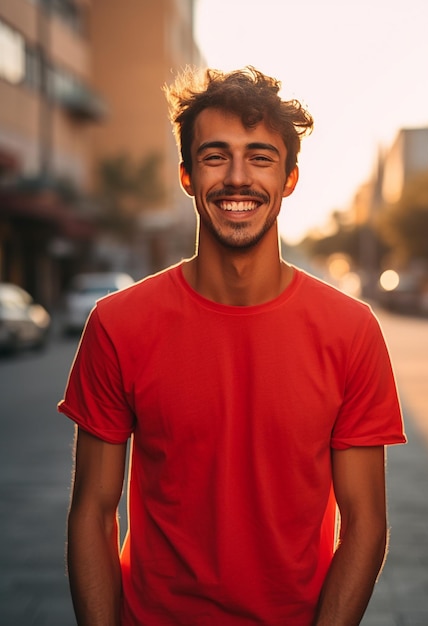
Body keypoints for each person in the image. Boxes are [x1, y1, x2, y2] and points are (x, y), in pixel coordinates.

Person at [59, 66, 406, 626]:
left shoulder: (351, 330)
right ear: (187, 176)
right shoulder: (118, 324)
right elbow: (94, 513)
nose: (238, 178)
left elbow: (365, 523)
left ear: (290, 179)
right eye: (215, 156)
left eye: (261, 157)